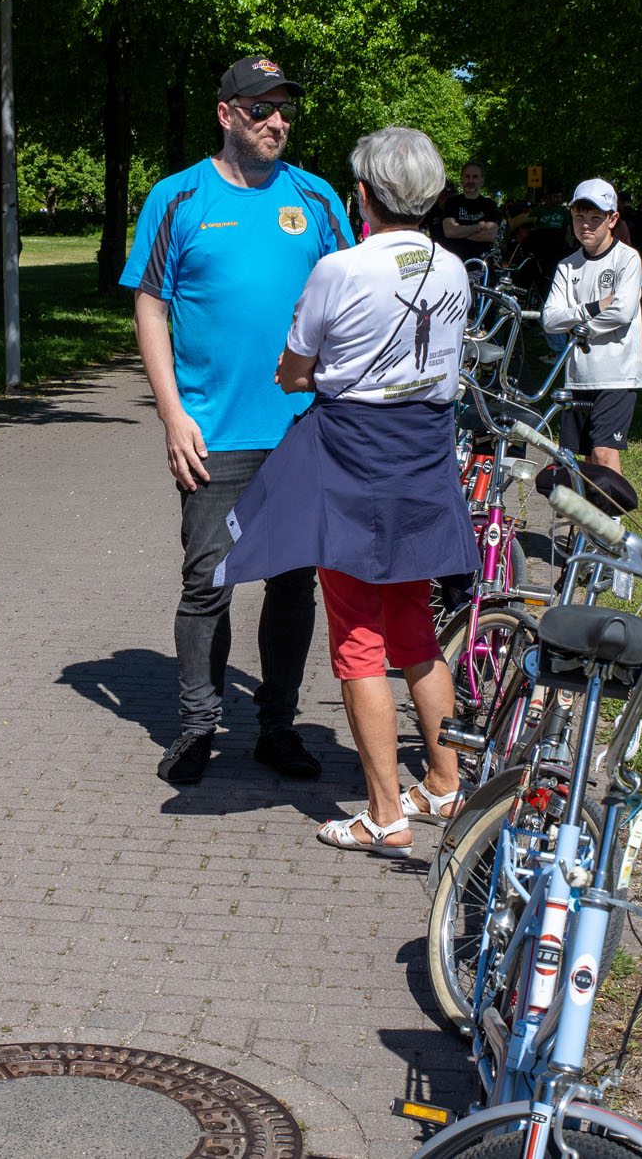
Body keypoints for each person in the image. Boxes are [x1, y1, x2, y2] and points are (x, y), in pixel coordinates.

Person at [216, 127, 478, 856]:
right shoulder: (454, 270)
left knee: (358, 637)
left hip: (355, 459)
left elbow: (294, 371)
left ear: (362, 194)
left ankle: (385, 813)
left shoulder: (340, 267)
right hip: (425, 458)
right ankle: (445, 781)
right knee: (415, 628)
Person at [120, 55, 354, 786]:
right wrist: (172, 415)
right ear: (226, 115)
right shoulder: (177, 197)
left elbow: (351, 298)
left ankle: (277, 727)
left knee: (292, 584)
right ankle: (197, 727)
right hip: (212, 431)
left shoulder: (316, 197)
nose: (276, 122)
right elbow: (150, 307)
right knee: (207, 584)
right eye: (260, 109)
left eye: (284, 110)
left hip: (301, 431)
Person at [542, 178, 642, 475]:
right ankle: (593, 506)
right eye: (579, 217)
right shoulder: (567, 265)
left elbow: (622, 312)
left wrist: (577, 326)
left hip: (617, 374)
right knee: (586, 459)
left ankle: (613, 506)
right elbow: (550, 320)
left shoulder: (627, 259)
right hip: (579, 376)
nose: (586, 225)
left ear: (612, 219)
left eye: (596, 218)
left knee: (603, 452)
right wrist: (593, 307)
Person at [437, 161, 501, 263]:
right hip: (455, 262)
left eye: (475, 177)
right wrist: (478, 227)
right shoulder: (452, 203)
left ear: (482, 181)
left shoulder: (489, 205)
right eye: (467, 176)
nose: (470, 180)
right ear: (462, 179)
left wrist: (459, 232)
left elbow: (490, 235)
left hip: (481, 263)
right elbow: (449, 231)